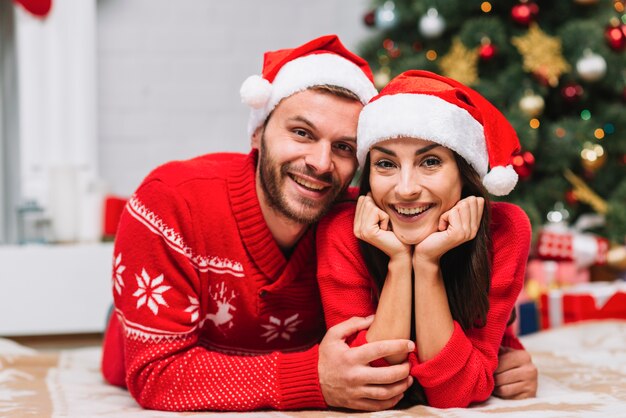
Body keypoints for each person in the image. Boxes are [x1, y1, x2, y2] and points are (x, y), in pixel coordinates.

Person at [100, 36, 536, 412]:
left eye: (344, 146)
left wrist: (500, 350)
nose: (320, 163)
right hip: (159, 334)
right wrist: (313, 378)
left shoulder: (359, 217)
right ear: (257, 134)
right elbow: (157, 374)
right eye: (302, 133)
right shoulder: (171, 200)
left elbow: (434, 308)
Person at [317, 70, 537, 409]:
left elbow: (458, 394)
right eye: (386, 164)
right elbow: (368, 381)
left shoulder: (505, 230)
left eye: (430, 162)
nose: (405, 189)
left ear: (464, 173)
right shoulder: (343, 229)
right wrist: (400, 264)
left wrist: (427, 263)